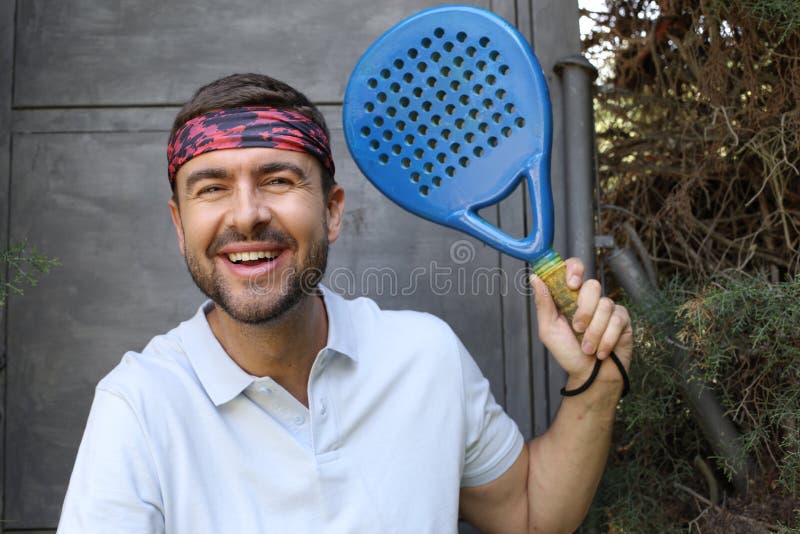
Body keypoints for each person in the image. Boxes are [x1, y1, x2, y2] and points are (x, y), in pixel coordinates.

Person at [58, 73, 632, 534]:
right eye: (211, 188)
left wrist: (597, 385)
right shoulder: (136, 407)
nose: (246, 213)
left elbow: (530, 515)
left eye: (279, 179)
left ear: (333, 210)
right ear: (180, 224)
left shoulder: (425, 356)